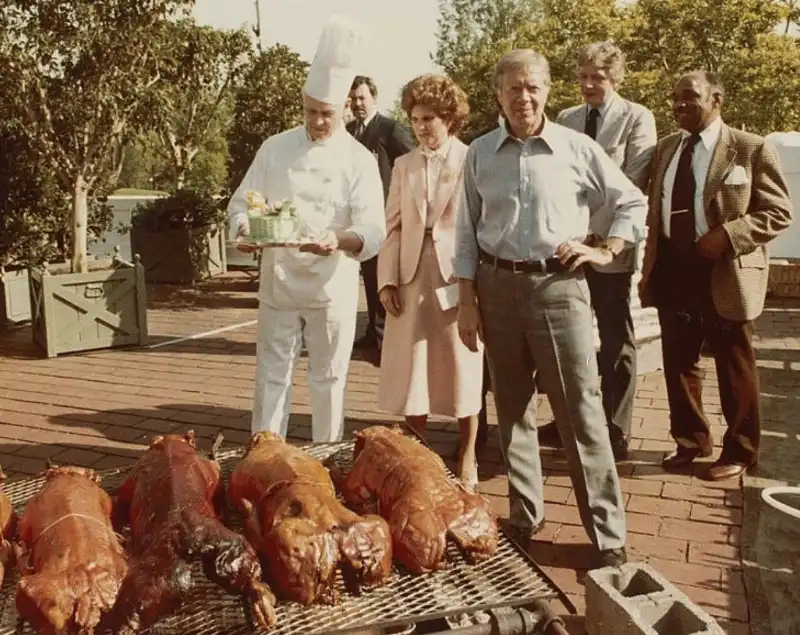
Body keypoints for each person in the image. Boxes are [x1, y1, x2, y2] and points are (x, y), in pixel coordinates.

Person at [454, 49, 649, 568]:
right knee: (513, 410)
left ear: (547, 91)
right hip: (497, 289)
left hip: (558, 289)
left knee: (579, 414)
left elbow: (632, 201)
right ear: (498, 94)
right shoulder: (479, 154)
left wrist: (604, 249)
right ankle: (525, 514)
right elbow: (465, 234)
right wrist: (467, 302)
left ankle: (607, 536)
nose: (524, 97)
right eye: (514, 88)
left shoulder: (575, 148)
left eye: (533, 87)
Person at [227, 15, 386, 443]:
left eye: (327, 115)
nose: (318, 122)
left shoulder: (358, 160)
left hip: (332, 285)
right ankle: (265, 455)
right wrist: (244, 230)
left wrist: (339, 239)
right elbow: (240, 204)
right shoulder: (274, 148)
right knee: (271, 374)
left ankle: (327, 455)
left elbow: (373, 228)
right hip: (279, 283)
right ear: (302, 105)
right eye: (311, 112)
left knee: (329, 378)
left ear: (343, 111)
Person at [638, 70, 792, 481]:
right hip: (673, 267)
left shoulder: (748, 148)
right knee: (679, 359)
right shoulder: (666, 149)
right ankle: (691, 441)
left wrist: (727, 234)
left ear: (717, 99)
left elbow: (779, 213)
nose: (679, 105)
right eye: (675, 98)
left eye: (690, 96)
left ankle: (741, 450)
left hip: (723, 270)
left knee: (733, 362)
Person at [537, 41, 657, 461]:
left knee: (615, 338)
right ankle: (569, 419)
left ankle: (615, 427)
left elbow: (631, 183)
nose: (588, 85)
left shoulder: (637, 120)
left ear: (616, 79)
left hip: (610, 248)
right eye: (584, 77)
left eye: (598, 79)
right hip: (569, 248)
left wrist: (597, 238)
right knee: (570, 339)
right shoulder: (566, 119)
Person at [376, 74, 484, 491]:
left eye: (430, 118)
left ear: (450, 119)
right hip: (410, 276)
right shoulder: (403, 165)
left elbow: (478, 223)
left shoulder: (471, 158)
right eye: (416, 118)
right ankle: (417, 456)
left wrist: (472, 282)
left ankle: (468, 452)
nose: (421, 127)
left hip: (458, 275)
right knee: (411, 368)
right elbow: (392, 226)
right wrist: (387, 281)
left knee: (462, 364)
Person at [347, 76, 416, 354]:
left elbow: (414, 161)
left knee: (383, 276)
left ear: (374, 97)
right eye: (352, 99)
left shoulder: (390, 129)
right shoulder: (349, 131)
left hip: (386, 215)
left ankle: (384, 339)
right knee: (368, 274)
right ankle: (371, 331)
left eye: (362, 98)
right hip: (359, 217)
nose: (357, 104)